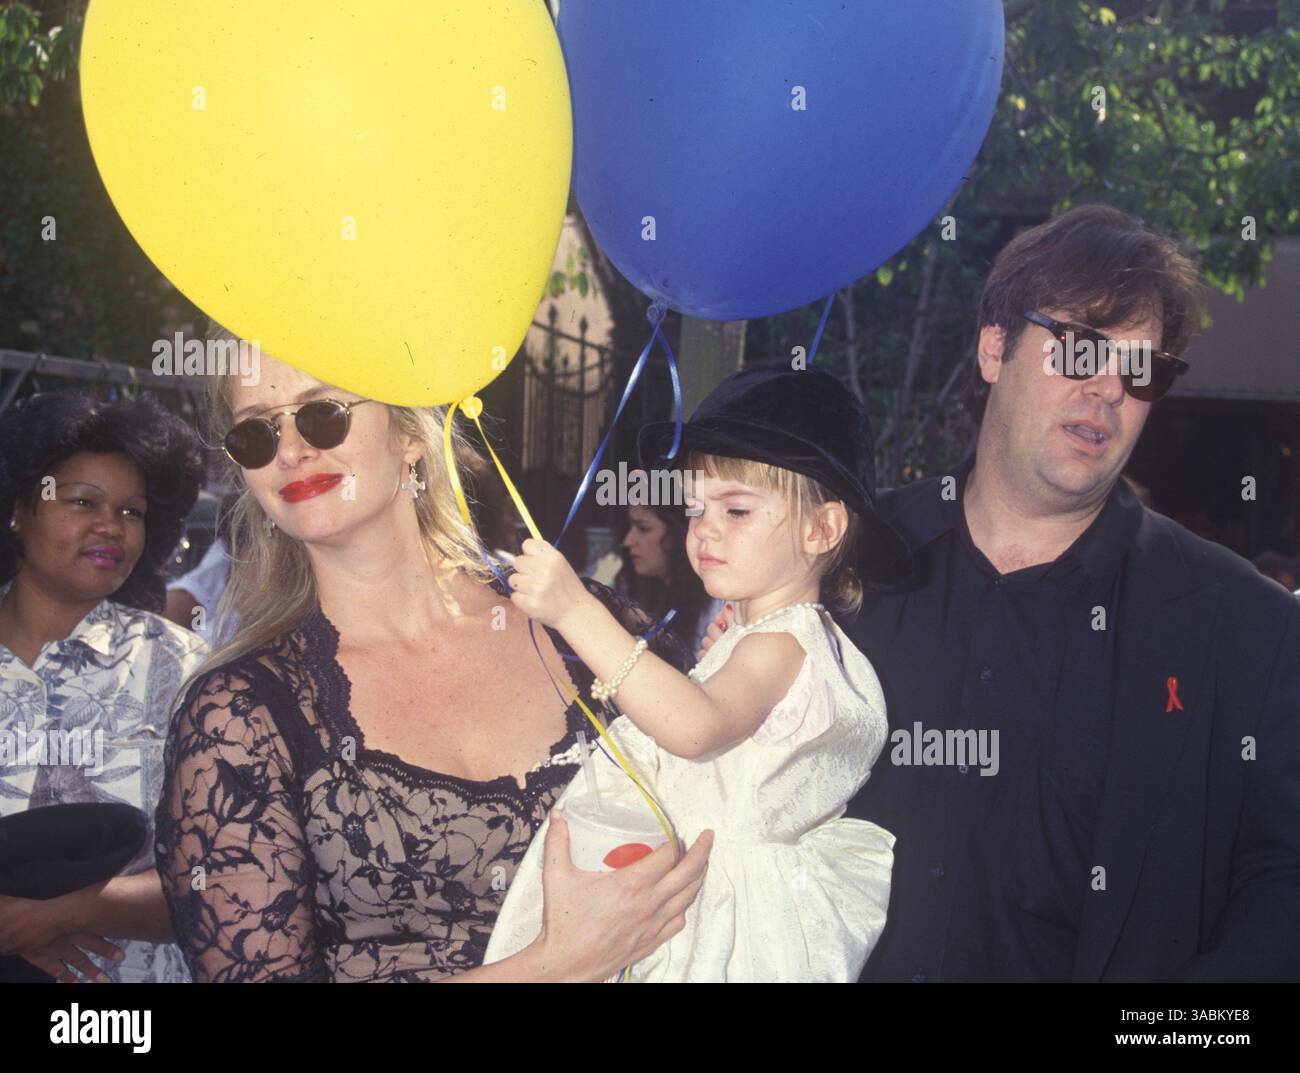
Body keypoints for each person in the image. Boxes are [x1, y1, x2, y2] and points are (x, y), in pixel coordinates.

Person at [154, 345, 712, 982]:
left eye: (323, 415)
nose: (290, 451)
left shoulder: (581, 623)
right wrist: (557, 965)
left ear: (409, 435)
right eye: (256, 432)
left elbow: (730, 810)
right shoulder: (237, 715)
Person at [845, 203, 1300, 981]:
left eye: (1139, 368)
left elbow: (1283, 883)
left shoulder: (1242, 626)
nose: (1108, 390)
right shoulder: (845, 563)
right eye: (1081, 347)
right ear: (994, 348)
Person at [486, 367, 907, 981]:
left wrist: (577, 612)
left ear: (822, 529)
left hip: (714, 914)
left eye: (736, 510)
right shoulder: (765, 641)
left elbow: (692, 729)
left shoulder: (779, 647)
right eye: (695, 509)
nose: (705, 528)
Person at [0, 393, 207, 983]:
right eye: (82, 501)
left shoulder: (186, 668)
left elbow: (231, 874)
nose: (110, 526)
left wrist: (68, 913)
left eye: (132, 511)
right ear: (18, 509)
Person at [616, 500, 722, 656]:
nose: (629, 541)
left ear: (676, 534)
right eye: (630, 527)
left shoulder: (715, 603)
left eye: (643, 528)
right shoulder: (642, 590)